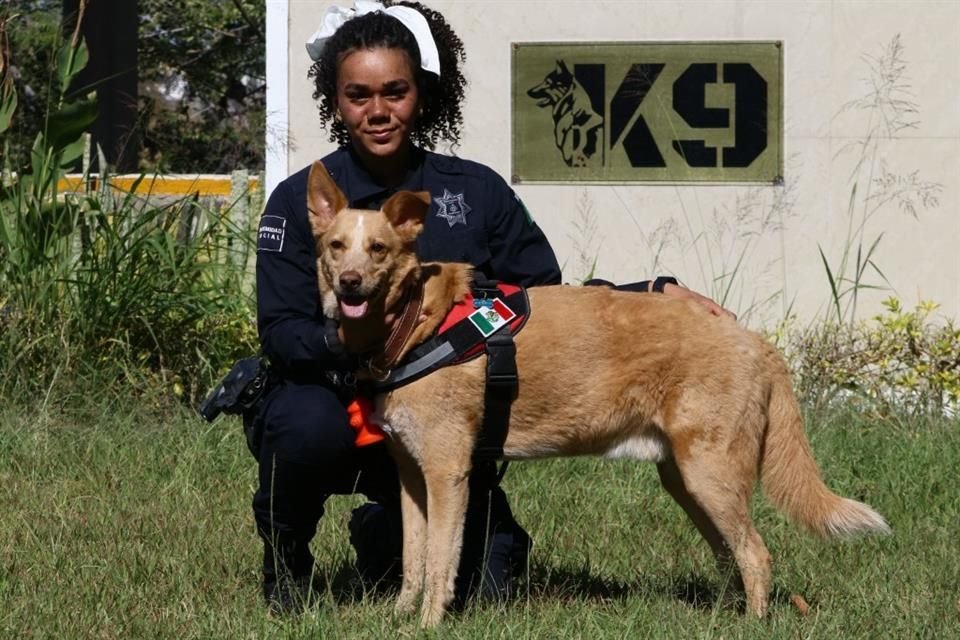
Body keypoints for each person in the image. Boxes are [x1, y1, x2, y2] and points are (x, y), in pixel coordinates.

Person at [252, 0, 733, 615]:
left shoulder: (473, 191)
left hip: (447, 422)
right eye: (358, 95)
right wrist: (358, 344)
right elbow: (281, 332)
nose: (377, 111)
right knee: (300, 425)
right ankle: (287, 561)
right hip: (337, 403)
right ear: (337, 100)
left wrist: (647, 291)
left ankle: (389, 536)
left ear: (421, 94)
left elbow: (542, 298)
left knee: (488, 588)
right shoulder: (302, 201)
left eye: (395, 91)